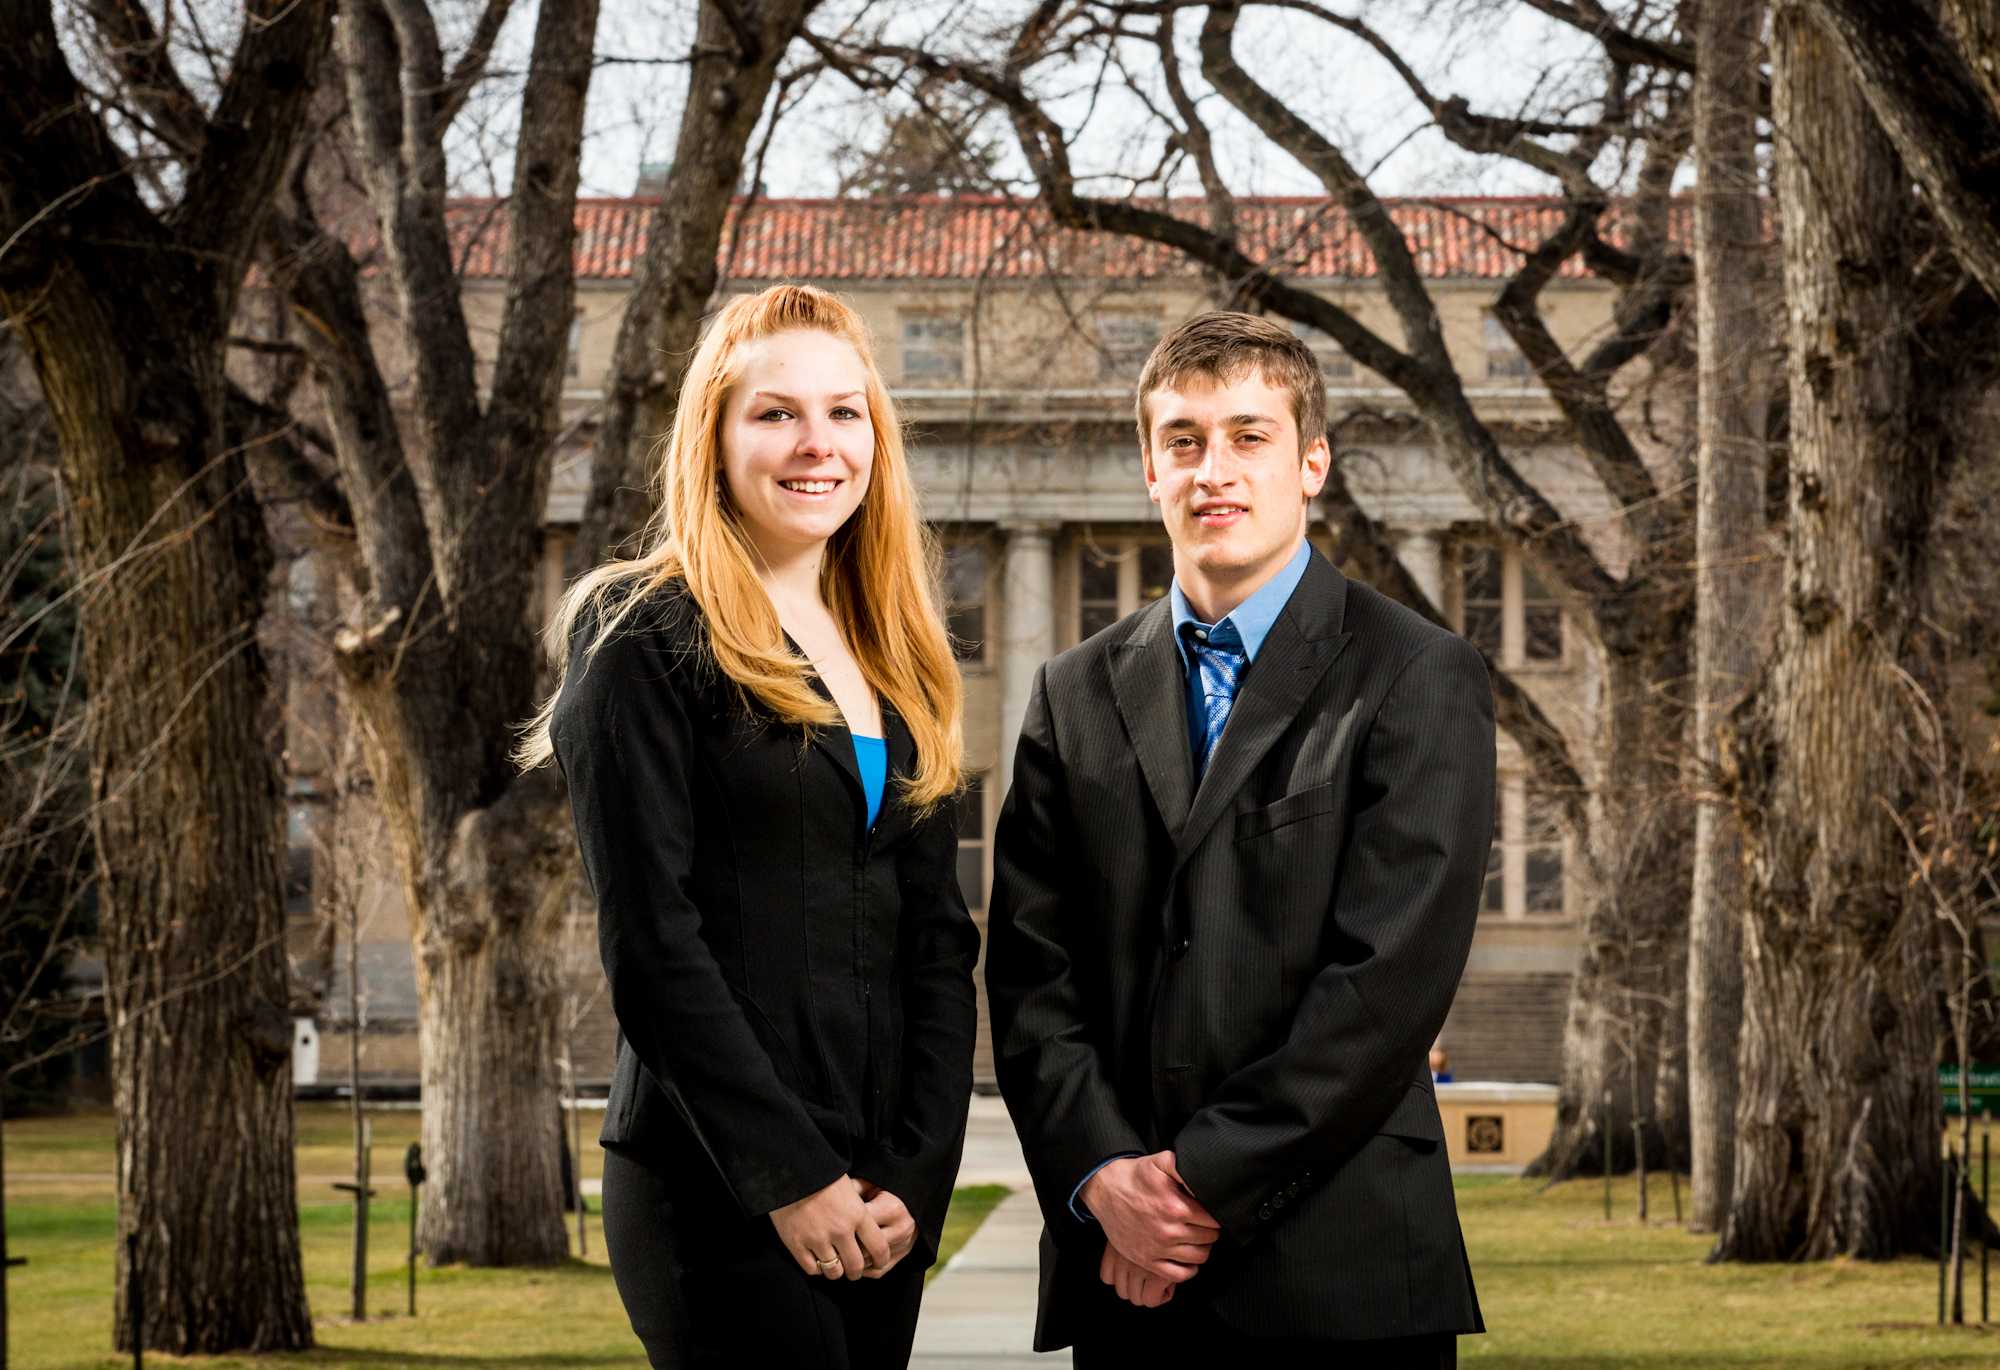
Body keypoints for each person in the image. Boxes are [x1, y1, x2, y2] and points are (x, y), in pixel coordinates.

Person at [986, 311, 1494, 1367]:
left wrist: (1192, 1185)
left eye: (1247, 435)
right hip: (1132, 1285)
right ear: (1148, 467)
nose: (1211, 468)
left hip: (1340, 1273)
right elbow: (1033, 972)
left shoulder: (1413, 673)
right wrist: (1102, 1177)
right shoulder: (1070, 693)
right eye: (1182, 439)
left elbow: (1383, 986)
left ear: (1311, 462)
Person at [518, 284, 979, 1368]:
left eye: (844, 411)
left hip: (878, 1204)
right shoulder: (641, 635)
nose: (816, 443)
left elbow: (938, 946)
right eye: (774, 413)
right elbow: (653, 946)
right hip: (719, 1182)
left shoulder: (897, 657)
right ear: (713, 438)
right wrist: (793, 1177)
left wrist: (914, 1177)